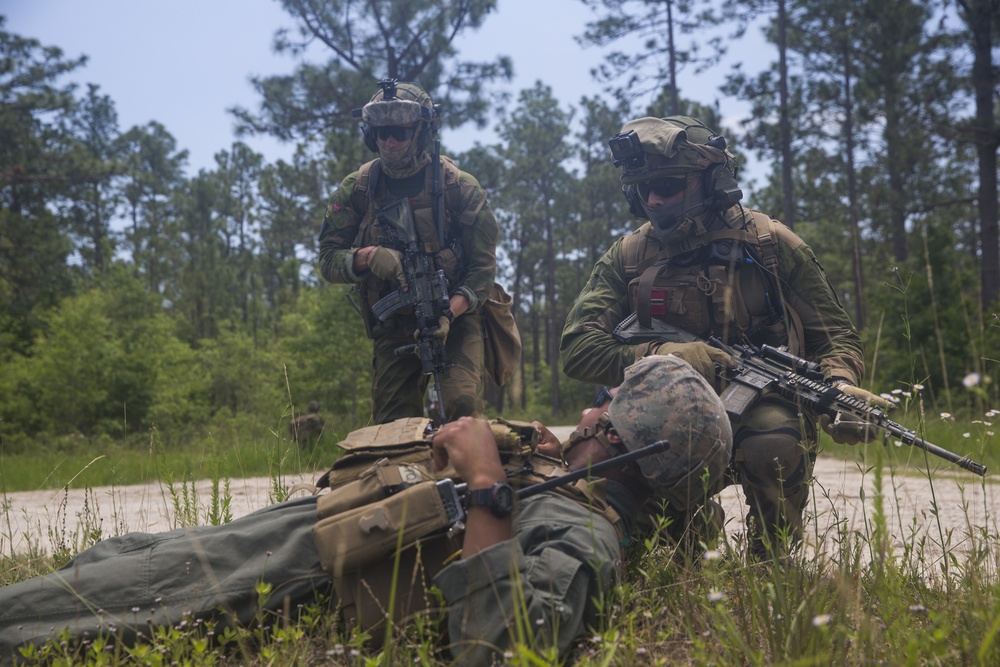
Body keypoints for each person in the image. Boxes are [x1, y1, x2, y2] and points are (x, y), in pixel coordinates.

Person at [0, 356, 731, 665]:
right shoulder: (559, 480)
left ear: (619, 435)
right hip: (283, 536)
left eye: (605, 402)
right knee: (107, 558)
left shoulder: (584, 529)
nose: (585, 405)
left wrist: (485, 482)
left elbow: (506, 645)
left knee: (51, 613)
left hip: (282, 574)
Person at [560, 114, 890, 559]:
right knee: (602, 462)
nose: (654, 200)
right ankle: (674, 539)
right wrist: (662, 353)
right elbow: (577, 348)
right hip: (657, 408)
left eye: (669, 185)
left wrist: (839, 387)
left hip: (759, 401)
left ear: (710, 181)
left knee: (775, 443)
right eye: (643, 189)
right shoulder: (630, 255)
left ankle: (769, 566)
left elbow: (834, 336)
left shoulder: (770, 244)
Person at [317, 79, 499, 424]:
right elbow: (327, 259)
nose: (390, 141)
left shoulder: (459, 188)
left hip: (456, 318)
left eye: (400, 131)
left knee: (462, 410)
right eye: (382, 131)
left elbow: (482, 272)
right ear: (371, 134)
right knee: (392, 426)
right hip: (395, 324)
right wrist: (367, 257)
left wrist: (448, 313)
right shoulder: (357, 189)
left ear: (421, 131)